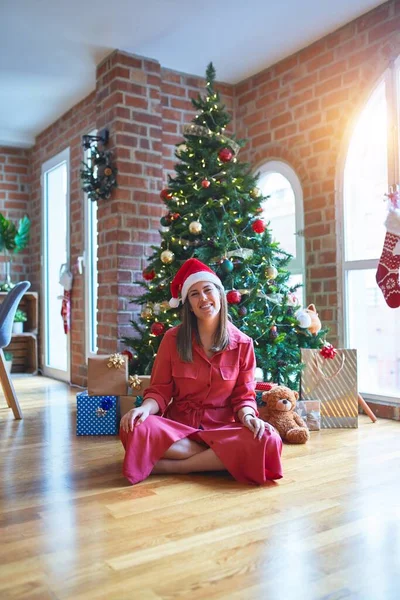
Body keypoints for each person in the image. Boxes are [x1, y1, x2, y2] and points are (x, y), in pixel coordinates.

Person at [120, 258, 283, 485]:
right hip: (180, 429)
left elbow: (243, 396)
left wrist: (247, 417)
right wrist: (145, 408)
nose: (203, 298)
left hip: (222, 428)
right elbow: (160, 390)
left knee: (268, 438)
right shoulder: (172, 339)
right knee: (134, 426)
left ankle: (177, 466)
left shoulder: (243, 344)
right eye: (194, 294)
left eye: (208, 290)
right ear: (188, 303)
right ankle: (217, 460)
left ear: (219, 294)